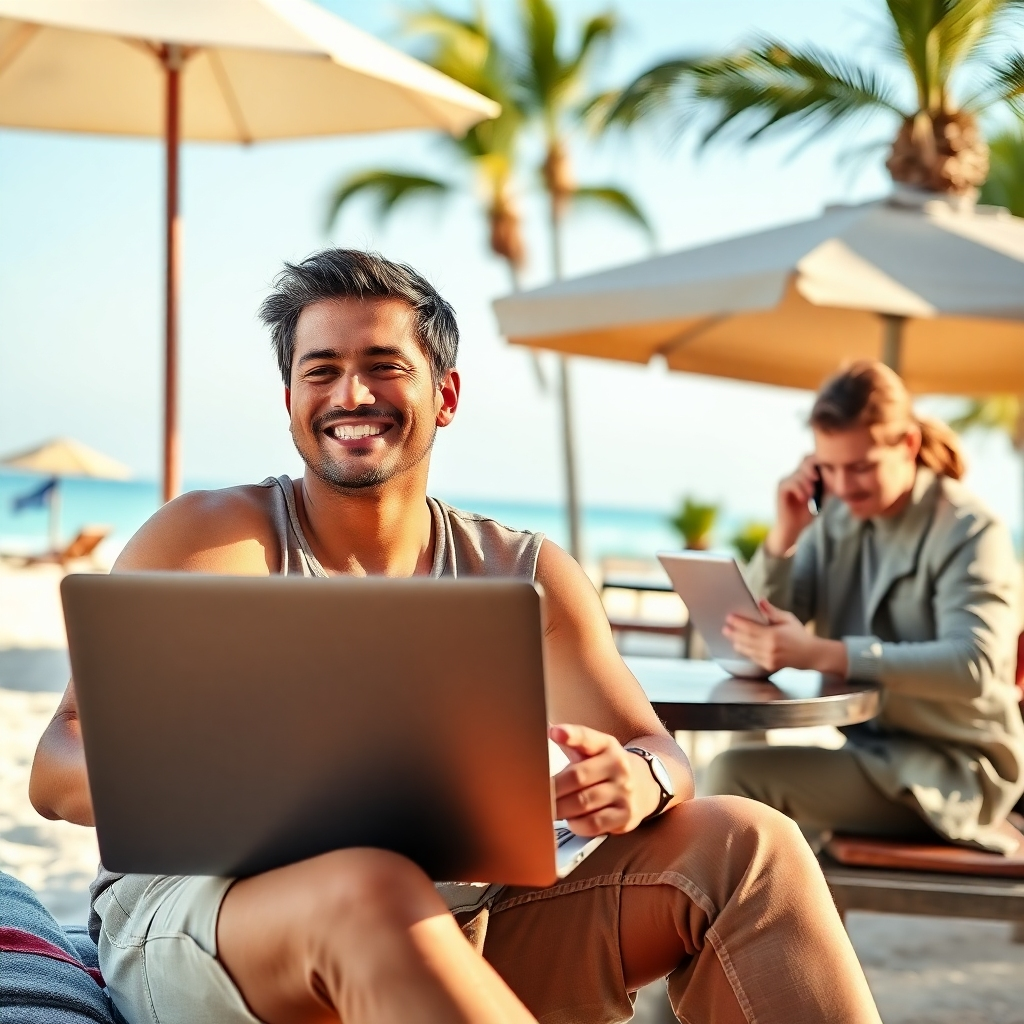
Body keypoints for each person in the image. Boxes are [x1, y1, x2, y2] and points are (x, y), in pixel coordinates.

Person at [30, 250, 880, 1024]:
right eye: (319, 370)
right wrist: (226, 789)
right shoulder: (207, 542)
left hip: (465, 918)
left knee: (749, 845)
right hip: (209, 923)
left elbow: (659, 750)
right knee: (371, 887)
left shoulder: (523, 571)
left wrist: (639, 780)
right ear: (289, 399)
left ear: (446, 394)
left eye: (382, 367)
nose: (350, 396)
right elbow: (56, 766)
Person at [708, 360, 1024, 854]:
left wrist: (822, 653)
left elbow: (975, 664)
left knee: (733, 776)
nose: (844, 485)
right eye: (828, 468)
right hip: (873, 754)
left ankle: (739, 928)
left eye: (861, 466)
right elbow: (755, 629)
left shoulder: (970, 529)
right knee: (741, 754)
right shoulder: (834, 518)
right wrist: (784, 537)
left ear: (908, 446)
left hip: (953, 772)